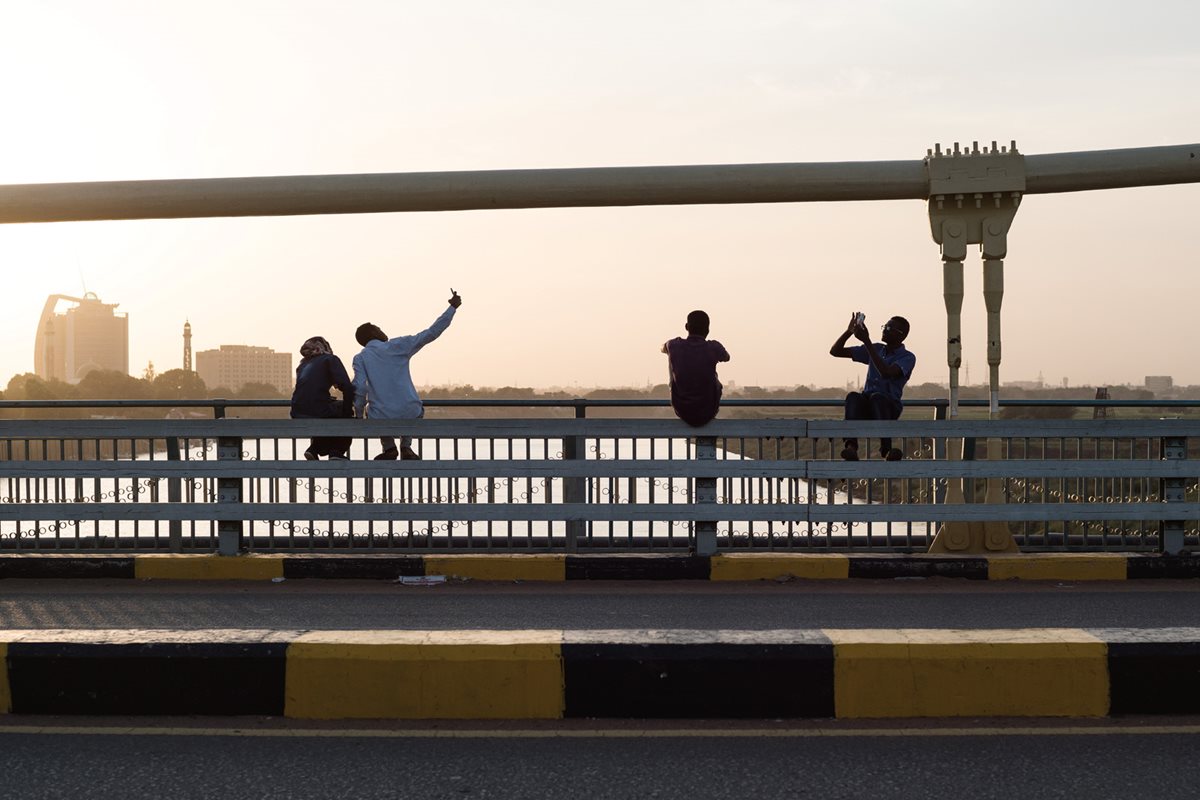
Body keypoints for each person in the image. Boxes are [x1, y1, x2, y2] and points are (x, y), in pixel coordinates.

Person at [353, 289, 462, 460]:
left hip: (381, 416)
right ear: (373, 333)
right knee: (415, 408)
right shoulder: (398, 345)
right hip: (410, 411)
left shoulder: (360, 358)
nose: (383, 331)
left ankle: (389, 448)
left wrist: (359, 415)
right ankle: (406, 446)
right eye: (379, 329)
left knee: (371, 410)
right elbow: (431, 333)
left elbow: (360, 388)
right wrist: (452, 308)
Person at [829, 313, 916, 461]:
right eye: (885, 326)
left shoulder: (907, 357)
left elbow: (886, 373)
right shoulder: (877, 349)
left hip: (888, 407)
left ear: (901, 335)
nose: (884, 330)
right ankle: (851, 447)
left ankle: (886, 450)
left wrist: (867, 341)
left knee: (878, 398)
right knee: (853, 397)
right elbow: (835, 351)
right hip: (868, 404)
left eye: (889, 328)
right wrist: (849, 331)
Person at [290, 336, 355, 460]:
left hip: (297, 412)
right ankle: (337, 451)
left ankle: (313, 449)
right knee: (343, 411)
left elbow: (310, 389)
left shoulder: (303, 364)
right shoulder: (330, 359)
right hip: (318, 409)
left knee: (327, 417)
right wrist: (348, 412)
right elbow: (347, 387)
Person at [661, 310, 731, 427]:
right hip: (708, 412)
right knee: (715, 378)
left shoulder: (674, 345)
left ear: (686, 327)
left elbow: (663, 348)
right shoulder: (713, 347)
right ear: (708, 330)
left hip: (681, 410)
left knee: (672, 364)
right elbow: (727, 357)